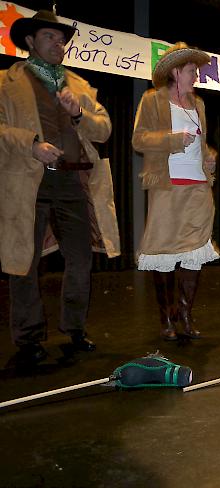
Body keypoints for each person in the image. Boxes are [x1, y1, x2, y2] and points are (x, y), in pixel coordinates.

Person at [0, 10, 119, 364]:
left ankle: (75, 329)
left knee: (81, 260)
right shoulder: (6, 82)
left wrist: (80, 114)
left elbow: (104, 130)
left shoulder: (79, 86)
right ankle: (29, 338)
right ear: (30, 41)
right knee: (25, 262)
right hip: (28, 180)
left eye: (61, 38)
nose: (58, 43)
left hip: (72, 180)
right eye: (50, 37)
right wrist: (30, 142)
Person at [132, 42, 219, 340]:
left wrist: (208, 154)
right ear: (176, 71)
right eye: (192, 70)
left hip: (197, 187)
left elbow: (199, 142)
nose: (196, 75)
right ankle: (166, 318)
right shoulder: (152, 100)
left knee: (194, 253)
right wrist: (171, 139)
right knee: (164, 253)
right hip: (167, 187)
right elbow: (139, 139)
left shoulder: (199, 104)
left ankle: (185, 316)